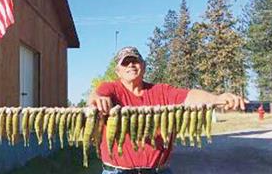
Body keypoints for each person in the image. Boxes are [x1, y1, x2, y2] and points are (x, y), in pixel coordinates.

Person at [88, 46, 247, 174]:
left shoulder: (161, 90)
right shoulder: (110, 88)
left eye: (135, 61)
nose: (130, 65)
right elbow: (95, 96)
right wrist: (97, 100)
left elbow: (189, 96)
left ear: (143, 66)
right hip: (118, 172)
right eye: (125, 63)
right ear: (118, 71)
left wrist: (216, 99)